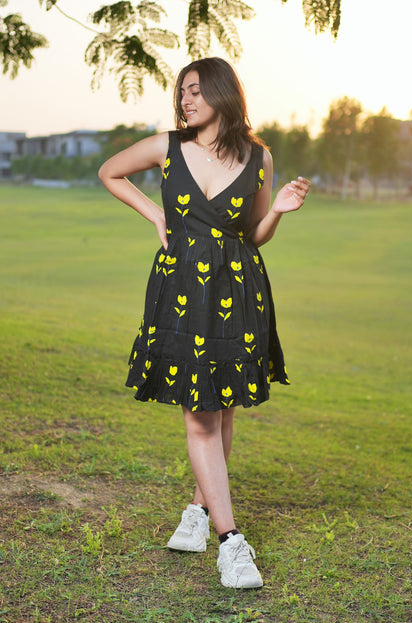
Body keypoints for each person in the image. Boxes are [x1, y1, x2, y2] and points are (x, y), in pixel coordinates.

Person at [98, 57, 311, 589]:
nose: (185, 100)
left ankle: (197, 514)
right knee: (201, 417)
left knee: (221, 405)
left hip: (239, 289)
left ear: (222, 93)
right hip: (182, 290)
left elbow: (255, 233)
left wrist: (279, 209)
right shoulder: (166, 147)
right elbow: (109, 172)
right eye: (181, 93)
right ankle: (231, 543)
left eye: (195, 91)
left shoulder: (258, 155)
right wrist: (154, 213)